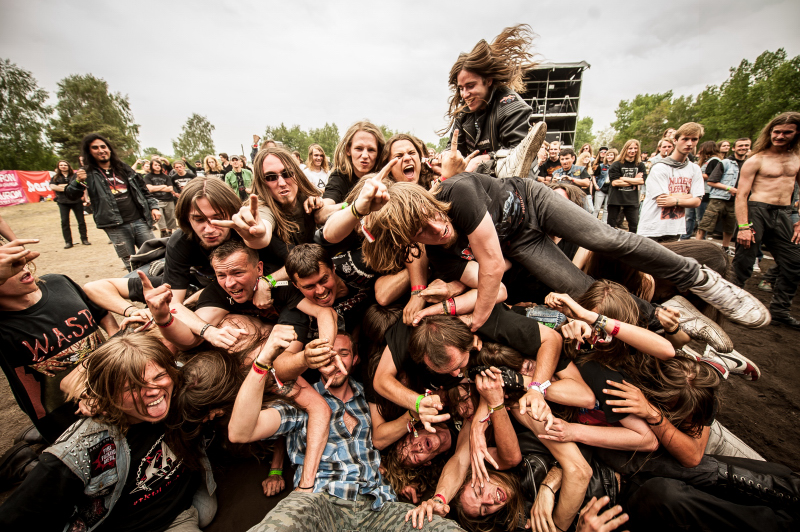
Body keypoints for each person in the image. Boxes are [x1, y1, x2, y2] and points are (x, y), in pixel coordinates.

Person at [361, 152, 770, 333]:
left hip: (533, 203)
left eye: (431, 218)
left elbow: (488, 266)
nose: (436, 231)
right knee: (578, 289)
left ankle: (699, 277)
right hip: (520, 245)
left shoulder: (458, 192)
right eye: (421, 233)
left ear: (429, 201)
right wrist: (447, 291)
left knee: (605, 237)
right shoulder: (441, 257)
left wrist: (477, 318)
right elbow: (497, 277)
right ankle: (657, 318)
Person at [231, 328, 466, 532]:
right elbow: (240, 432)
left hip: (379, 506)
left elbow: (394, 443)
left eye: (343, 353)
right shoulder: (302, 400)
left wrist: (402, 480)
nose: (335, 360)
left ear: (355, 360)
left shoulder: (372, 400)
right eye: (327, 353)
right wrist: (261, 364)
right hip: (320, 503)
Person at [0, 332, 217, 531]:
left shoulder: (179, 390)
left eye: (159, 377)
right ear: (108, 395)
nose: (154, 391)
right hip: (141, 524)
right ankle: (26, 468)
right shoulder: (79, 450)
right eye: (133, 387)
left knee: (206, 512)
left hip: (181, 502)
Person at [0, 240, 118, 443]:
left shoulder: (58, 282)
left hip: (112, 383)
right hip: (66, 412)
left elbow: (100, 313)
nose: (22, 267)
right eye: (8, 266)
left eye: (19, 260)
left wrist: (115, 334)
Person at [442, 24, 547, 180]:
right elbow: (453, 149)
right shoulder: (463, 113)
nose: (464, 94)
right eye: (461, 88)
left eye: (470, 86)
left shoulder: (511, 106)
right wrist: (448, 157)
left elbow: (519, 156)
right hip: (477, 185)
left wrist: (484, 160)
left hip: (514, 186)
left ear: (488, 81)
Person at [733, 112, 800, 329]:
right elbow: (742, 194)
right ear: (769, 132)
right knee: (744, 261)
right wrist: (743, 226)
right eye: (776, 132)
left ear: (796, 133)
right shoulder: (757, 159)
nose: (780, 136)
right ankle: (732, 305)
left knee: (794, 263)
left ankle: (780, 310)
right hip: (756, 211)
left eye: (786, 132)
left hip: (784, 213)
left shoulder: (797, 158)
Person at [66, 133, 161, 271]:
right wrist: (78, 182)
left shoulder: (123, 168)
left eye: (103, 146)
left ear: (109, 149)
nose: (101, 150)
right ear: (89, 152)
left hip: (140, 220)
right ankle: (139, 289)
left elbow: (143, 190)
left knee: (155, 256)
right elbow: (71, 195)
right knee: (131, 262)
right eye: (95, 148)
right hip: (115, 226)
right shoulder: (86, 173)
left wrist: (154, 207)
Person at [637, 123, 705, 242]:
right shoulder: (660, 167)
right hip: (652, 228)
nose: (689, 143)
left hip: (675, 228)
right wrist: (689, 196)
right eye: (685, 139)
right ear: (675, 140)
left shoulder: (695, 169)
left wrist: (676, 200)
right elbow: (663, 200)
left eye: (694, 139)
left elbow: (697, 201)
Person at [697, 137, 751, 251]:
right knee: (705, 223)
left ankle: (725, 248)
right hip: (719, 198)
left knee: (730, 226)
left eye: (746, 145)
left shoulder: (750, 163)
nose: (743, 148)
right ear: (734, 148)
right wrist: (729, 188)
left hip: (737, 200)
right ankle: (696, 246)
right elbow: (711, 181)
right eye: (740, 146)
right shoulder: (725, 162)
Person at [320, 120, 385, 206]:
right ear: (348, 150)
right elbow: (323, 210)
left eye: (371, 150)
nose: (365, 155)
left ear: (378, 153)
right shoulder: (340, 177)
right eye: (359, 148)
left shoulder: (386, 178)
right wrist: (354, 208)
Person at [606, 139, 646, 233]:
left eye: (635, 148)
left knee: (634, 224)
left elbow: (642, 181)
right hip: (616, 199)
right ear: (625, 149)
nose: (633, 151)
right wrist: (634, 180)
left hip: (631, 199)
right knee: (611, 225)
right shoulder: (616, 164)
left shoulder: (640, 165)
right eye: (630, 148)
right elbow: (615, 183)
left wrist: (623, 178)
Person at [49, 159, 90, 248]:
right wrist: (70, 187)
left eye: (65, 165)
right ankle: (68, 242)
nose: (63, 166)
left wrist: (61, 186)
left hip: (76, 201)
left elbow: (83, 185)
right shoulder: (56, 177)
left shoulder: (75, 176)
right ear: (58, 167)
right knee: (65, 222)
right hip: (63, 202)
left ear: (68, 166)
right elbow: (52, 187)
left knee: (81, 221)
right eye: (61, 165)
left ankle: (84, 239)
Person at [143, 159, 178, 237]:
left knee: (171, 217)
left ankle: (170, 233)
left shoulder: (166, 176)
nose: (158, 166)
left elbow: (170, 189)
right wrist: (163, 186)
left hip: (168, 199)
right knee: (160, 218)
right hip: (156, 200)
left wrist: (156, 188)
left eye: (159, 165)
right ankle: (163, 232)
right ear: (151, 166)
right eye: (155, 165)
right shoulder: (148, 177)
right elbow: (149, 189)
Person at [552, 147, 593, 212]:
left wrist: (571, 179)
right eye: (562, 159)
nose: (564, 161)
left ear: (573, 158)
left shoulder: (580, 169)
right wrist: (553, 181)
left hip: (578, 200)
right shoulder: (556, 172)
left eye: (567, 158)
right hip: (562, 201)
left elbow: (587, 183)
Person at [591, 148, 616, 223]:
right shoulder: (601, 166)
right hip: (601, 187)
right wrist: (596, 185)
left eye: (611, 155)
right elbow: (594, 176)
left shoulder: (616, 166)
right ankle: (592, 222)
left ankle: (604, 223)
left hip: (611, 188)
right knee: (597, 208)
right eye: (608, 155)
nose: (609, 157)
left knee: (606, 209)